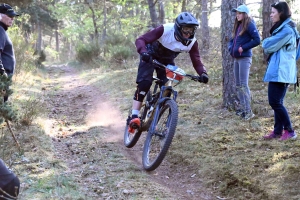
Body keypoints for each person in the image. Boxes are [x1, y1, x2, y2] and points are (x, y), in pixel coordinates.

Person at [128, 12, 209, 133]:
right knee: (145, 82)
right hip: (149, 56)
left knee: (167, 89)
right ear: (178, 27)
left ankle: (153, 120)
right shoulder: (165, 29)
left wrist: (202, 73)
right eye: (186, 30)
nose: (188, 34)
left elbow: (196, 59)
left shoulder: (192, 42)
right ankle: (134, 117)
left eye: (191, 30)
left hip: (167, 61)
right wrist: (143, 52)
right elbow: (141, 39)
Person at [262, 2, 297, 140]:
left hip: (281, 72)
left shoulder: (287, 30)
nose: (270, 15)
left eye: (273, 12)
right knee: (278, 102)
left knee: (274, 102)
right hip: (280, 70)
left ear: (281, 13)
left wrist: (266, 42)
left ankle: (290, 131)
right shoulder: (284, 28)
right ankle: (277, 131)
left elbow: (267, 45)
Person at [228, 4, 261, 120]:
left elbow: (257, 40)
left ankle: (248, 112)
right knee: (238, 85)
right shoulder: (238, 25)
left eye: (240, 13)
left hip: (245, 58)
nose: (237, 15)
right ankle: (243, 109)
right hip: (236, 58)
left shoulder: (250, 24)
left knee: (243, 84)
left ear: (245, 14)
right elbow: (232, 40)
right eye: (236, 13)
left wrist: (243, 47)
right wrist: (230, 47)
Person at [0, 3, 19, 102]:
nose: (12, 19)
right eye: (10, 16)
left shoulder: (2, 30)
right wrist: (2, 73)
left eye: (13, 17)